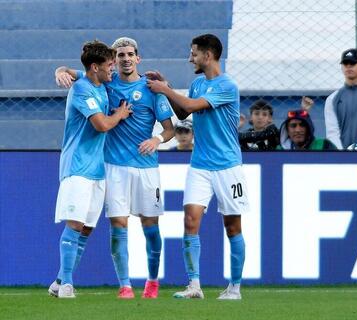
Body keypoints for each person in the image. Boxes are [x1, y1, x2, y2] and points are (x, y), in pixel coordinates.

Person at [54, 37, 175, 299]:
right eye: (119, 56)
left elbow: (170, 129)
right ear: (113, 61)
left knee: (150, 226)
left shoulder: (152, 88)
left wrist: (156, 139)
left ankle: (152, 282)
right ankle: (125, 286)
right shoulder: (107, 84)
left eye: (130, 54)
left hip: (146, 168)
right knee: (117, 225)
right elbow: (80, 73)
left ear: (138, 58)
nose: (125, 59)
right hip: (113, 167)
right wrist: (61, 71)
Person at [147, 34, 249, 300]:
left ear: (208, 55)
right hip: (200, 164)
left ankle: (235, 288)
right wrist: (167, 88)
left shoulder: (227, 85)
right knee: (190, 221)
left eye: (193, 53)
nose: (190, 58)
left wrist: (165, 89)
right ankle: (194, 286)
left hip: (228, 166)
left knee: (233, 226)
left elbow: (193, 105)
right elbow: (184, 113)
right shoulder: (197, 83)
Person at [49, 41, 132, 298]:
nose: (113, 69)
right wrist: (120, 114)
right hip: (77, 168)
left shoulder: (97, 80)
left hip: (96, 170)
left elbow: (73, 69)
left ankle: (59, 281)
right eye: (110, 65)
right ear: (96, 67)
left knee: (86, 228)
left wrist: (62, 68)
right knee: (74, 225)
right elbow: (102, 125)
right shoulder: (83, 89)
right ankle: (67, 285)